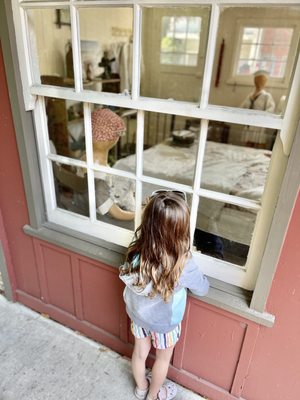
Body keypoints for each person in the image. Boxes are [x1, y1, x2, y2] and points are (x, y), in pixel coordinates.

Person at [119, 190, 209, 400]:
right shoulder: (183, 263)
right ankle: (153, 395)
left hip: (138, 315)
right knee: (162, 358)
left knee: (140, 352)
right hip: (165, 323)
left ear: (148, 222)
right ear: (181, 228)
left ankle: (141, 387)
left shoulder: (138, 248)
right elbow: (203, 288)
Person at [76, 108, 135, 226]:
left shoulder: (83, 159)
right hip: (103, 220)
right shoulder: (100, 179)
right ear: (114, 138)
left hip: (88, 205)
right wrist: (138, 214)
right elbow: (115, 213)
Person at [241, 70, 275, 148]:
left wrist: (261, 118)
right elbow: (242, 107)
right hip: (249, 124)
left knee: (259, 145)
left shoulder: (266, 96)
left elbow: (271, 109)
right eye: (257, 80)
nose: (258, 83)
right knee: (248, 145)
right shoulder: (250, 96)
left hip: (259, 125)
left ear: (265, 82)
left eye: (261, 81)